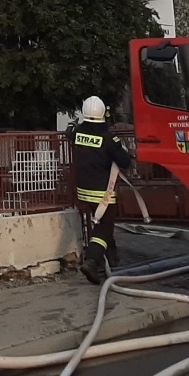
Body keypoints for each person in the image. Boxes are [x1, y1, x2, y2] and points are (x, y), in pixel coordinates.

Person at [72, 94, 132, 284]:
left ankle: (112, 259)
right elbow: (125, 162)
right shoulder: (108, 138)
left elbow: (70, 132)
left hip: (83, 190)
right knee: (104, 228)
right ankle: (91, 261)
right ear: (103, 113)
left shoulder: (77, 133)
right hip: (102, 192)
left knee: (102, 225)